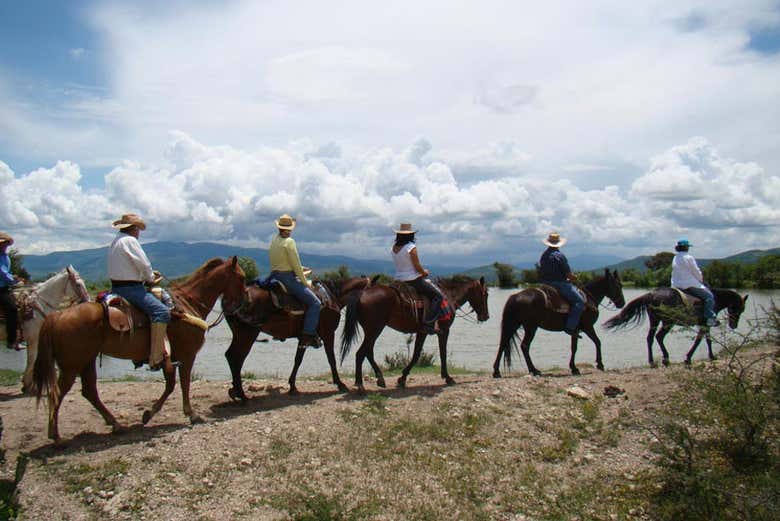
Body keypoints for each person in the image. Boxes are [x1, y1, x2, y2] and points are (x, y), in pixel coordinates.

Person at [108, 214, 177, 372]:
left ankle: (138, 353)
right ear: (133, 228)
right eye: (138, 229)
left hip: (116, 288)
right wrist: (151, 277)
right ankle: (156, 358)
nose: (139, 232)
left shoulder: (115, 241)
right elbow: (144, 264)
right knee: (162, 312)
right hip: (132, 289)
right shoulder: (130, 241)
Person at [268, 214, 321, 348]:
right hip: (287, 278)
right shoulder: (289, 242)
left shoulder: (274, 239)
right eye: (290, 229)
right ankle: (307, 335)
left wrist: (301, 268)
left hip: (274, 275)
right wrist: (306, 284)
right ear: (288, 229)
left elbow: (283, 261)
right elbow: (296, 266)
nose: (291, 231)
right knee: (315, 303)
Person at [391, 223, 446, 334]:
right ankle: (429, 324)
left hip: (398, 280)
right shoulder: (411, 248)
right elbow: (417, 266)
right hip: (413, 280)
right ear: (411, 235)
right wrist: (424, 272)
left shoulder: (394, 248)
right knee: (438, 296)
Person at [539, 232, 585, 337]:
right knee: (579, 302)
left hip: (545, 284)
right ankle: (570, 327)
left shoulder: (544, 255)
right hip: (559, 284)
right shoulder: (560, 256)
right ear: (559, 244)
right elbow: (568, 275)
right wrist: (575, 278)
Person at [671, 238, 719, 327]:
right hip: (689, 285)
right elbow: (696, 271)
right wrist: (701, 280)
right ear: (686, 248)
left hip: (676, 284)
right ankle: (710, 318)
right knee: (709, 297)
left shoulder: (675, 257)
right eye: (688, 247)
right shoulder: (689, 257)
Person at [0, 232, 22, 350]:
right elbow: (2, 273)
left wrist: (13, 278)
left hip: (5, 287)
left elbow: (5, 273)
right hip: (1, 289)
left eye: (6, 244)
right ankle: (11, 340)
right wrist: (13, 281)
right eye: (3, 244)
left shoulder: (6, 257)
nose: (4, 246)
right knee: (12, 309)